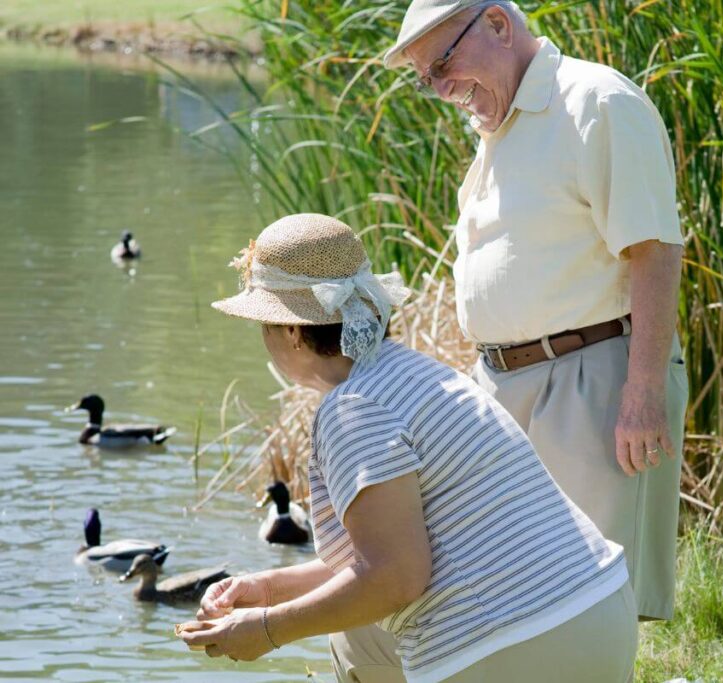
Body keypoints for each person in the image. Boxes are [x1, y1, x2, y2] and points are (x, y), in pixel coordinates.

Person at [176, 213, 637, 683]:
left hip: (519, 648)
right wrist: (267, 589)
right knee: (355, 632)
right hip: (599, 617)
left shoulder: (351, 410)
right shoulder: (416, 373)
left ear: (293, 331)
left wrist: (269, 631)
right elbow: (387, 556)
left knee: (356, 628)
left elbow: (395, 577)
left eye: (264, 325)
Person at [384, 0, 689, 622]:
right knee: (517, 607)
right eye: (425, 78)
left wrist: (643, 391)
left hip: (591, 380)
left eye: (443, 62)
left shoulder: (595, 103)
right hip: (503, 388)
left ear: (497, 24)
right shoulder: (500, 125)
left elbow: (654, 251)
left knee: (595, 607)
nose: (441, 90)